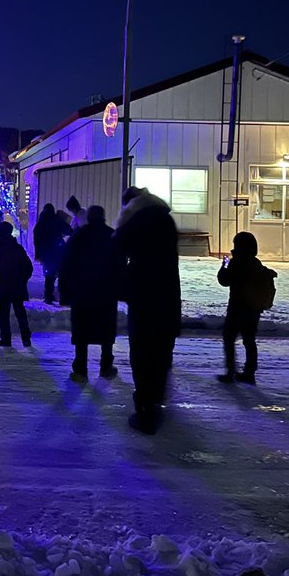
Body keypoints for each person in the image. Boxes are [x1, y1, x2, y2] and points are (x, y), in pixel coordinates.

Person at [115, 186, 181, 434]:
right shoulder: (165, 218)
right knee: (162, 351)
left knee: (142, 354)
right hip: (168, 295)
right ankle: (156, 399)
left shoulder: (135, 222)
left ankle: (146, 410)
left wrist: (122, 286)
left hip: (144, 298)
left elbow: (115, 251)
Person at [59, 205, 121, 380]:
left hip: (82, 291)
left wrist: (65, 291)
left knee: (82, 331)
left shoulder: (79, 236)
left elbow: (66, 265)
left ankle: (80, 367)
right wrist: (120, 288)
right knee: (106, 329)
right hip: (105, 291)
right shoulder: (111, 235)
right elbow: (120, 264)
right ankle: (106, 365)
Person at [216, 232, 276, 384]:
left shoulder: (237, 262)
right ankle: (249, 372)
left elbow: (224, 280)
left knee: (229, 339)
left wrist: (225, 265)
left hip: (237, 307)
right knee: (249, 340)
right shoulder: (256, 263)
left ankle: (230, 372)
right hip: (253, 309)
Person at [0, 222, 34, 347]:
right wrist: (22, 280)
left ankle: (6, 339)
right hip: (17, 286)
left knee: (3, 313)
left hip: (3, 285)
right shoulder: (18, 248)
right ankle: (25, 338)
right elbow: (28, 267)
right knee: (20, 311)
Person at [33, 203, 71, 303]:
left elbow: (36, 240)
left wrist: (38, 255)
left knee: (48, 274)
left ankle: (48, 295)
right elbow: (68, 231)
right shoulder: (56, 220)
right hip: (58, 250)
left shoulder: (40, 223)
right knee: (61, 273)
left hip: (46, 253)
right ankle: (63, 296)